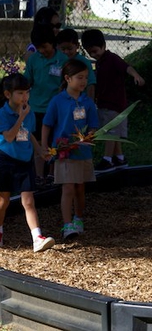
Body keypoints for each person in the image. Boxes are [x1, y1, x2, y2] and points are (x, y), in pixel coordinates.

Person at [42, 59, 99, 240]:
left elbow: (94, 127)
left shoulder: (88, 102)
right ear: (67, 78)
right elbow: (47, 124)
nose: (83, 81)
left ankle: (78, 218)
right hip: (63, 151)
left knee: (80, 188)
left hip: (82, 152)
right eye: (79, 77)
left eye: (86, 78)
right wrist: (45, 147)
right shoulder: (57, 101)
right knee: (68, 188)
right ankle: (67, 225)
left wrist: (88, 137)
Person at [0, 74, 55, 252]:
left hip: (25, 160)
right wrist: (21, 117)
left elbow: (29, 133)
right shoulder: (3, 113)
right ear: (8, 94)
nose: (25, 97)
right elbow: (8, 136)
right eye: (20, 93)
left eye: (27, 92)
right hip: (5, 159)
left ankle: (37, 237)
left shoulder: (28, 111)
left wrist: (40, 150)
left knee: (29, 200)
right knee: (3, 201)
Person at [81, 29, 145, 173]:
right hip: (105, 102)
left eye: (95, 51)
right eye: (90, 53)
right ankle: (119, 157)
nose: (93, 55)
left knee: (110, 132)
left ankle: (107, 159)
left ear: (104, 46)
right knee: (113, 131)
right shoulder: (100, 62)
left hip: (114, 104)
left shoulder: (112, 58)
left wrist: (136, 76)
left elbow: (126, 67)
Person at [24, 23, 69, 185]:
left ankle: (52, 173)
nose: (42, 51)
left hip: (56, 109)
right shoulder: (34, 60)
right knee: (38, 142)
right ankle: (39, 175)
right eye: (38, 48)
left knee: (54, 141)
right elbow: (27, 81)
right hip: (36, 108)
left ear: (53, 43)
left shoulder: (63, 60)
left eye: (44, 47)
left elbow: (67, 84)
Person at [56, 28, 96, 99]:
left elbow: (90, 84)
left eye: (70, 49)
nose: (66, 52)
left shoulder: (84, 62)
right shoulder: (58, 61)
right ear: (58, 47)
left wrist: (90, 102)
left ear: (77, 45)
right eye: (63, 49)